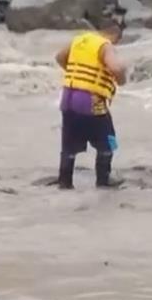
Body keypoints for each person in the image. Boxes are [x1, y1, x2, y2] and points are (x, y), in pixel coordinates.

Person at [54, 20, 128, 189]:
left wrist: (77, 73)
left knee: (68, 145)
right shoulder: (105, 45)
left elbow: (59, 57)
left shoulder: (79, 40)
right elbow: (115, 68)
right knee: (108, 140)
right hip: (90, 100)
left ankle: (65, 181)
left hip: (68, 97)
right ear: (115, 35)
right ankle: (104, 179)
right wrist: (122, 78)